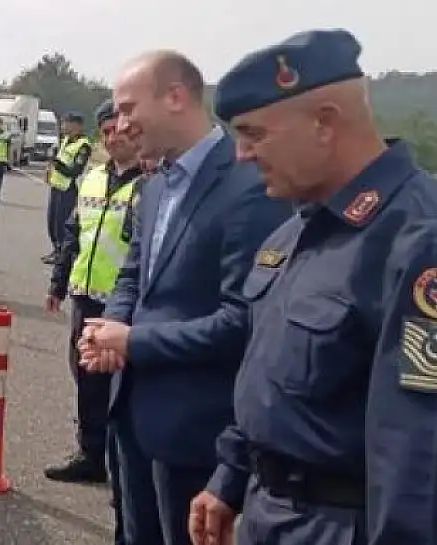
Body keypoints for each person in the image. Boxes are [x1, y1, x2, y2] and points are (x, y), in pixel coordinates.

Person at [188, 30, 437, 545]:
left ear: (324, 122)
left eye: (254, 134)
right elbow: (271, 374)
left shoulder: (417, 240)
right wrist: (230, 477)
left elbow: (418, 452)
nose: (241, 154)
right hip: (270, 511)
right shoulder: (296, 229)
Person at [78, 50, 291, 545]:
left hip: (196, 432)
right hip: (130, 415)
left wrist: (134, 342)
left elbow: (243, 320)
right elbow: (133, 275)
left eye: (129, 108)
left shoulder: (247, 188)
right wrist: (106, 331)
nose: (119, 123)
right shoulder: (155, 187)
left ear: (176, 97)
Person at [45, 98, 143, 487]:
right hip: (85, 295)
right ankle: (90, 454)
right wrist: (57, 282)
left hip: (126, 305)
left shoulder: (152, 183)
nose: (112, 138)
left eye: (118, 129)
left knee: (121, 385)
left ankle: (122, 460)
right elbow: (73, 234)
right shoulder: (93, 178)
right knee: (86, 376)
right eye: (105, 132)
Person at [43, 112, 92, 264]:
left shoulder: (83, 145)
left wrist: (56, 163)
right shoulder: (65, 140)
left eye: (65, 123)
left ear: (76, 125)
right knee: (52, 222)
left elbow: (75, 171)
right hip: (57, 186)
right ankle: (56, 250)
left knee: (62, 223)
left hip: (68, 189)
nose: (62, 126)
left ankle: (63, 255)